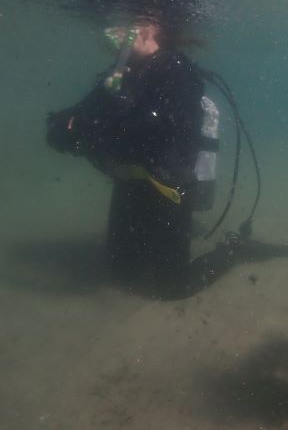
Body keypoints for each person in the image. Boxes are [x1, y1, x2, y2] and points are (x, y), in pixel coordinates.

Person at [46, 16, 229, 299]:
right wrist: (63, 126)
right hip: (128, 184)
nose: (117, 35)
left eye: (127, 25)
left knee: (172, 287)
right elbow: (86, 112)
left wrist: (88, 130)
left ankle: (233, 252)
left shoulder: (179, 72)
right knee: (122, 274)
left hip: (169, 189)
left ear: (151, 28)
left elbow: (154, 130)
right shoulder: (123, 71)